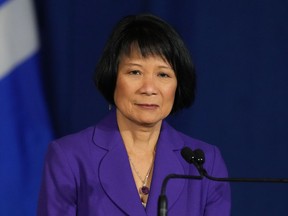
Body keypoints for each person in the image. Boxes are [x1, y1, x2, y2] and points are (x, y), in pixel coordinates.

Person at [37, 14, 231, 216]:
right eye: (135, 72)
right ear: (113, 77)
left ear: (178, 85)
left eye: (163, 74)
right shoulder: (69, 157)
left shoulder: (205, 164)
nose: (149, 89)